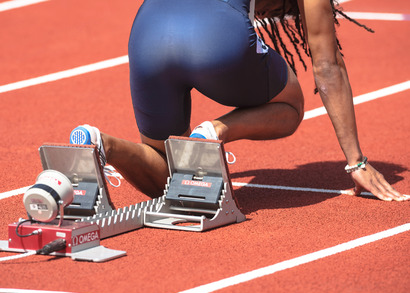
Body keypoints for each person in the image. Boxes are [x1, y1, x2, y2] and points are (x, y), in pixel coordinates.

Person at [69, 0, 408, 201]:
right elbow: (327, 66)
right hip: (216, 38)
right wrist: (356, 162)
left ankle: (101, 144)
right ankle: (215, 131)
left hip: (147, 32)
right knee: (291, 105)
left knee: (165, 177)